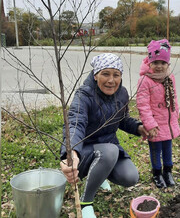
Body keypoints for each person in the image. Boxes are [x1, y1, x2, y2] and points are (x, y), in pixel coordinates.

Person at [60, 53, 148, 218]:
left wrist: (138, 128)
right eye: (105, 74)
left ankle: (99, 175)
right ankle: (86, 202)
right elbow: (75, 124)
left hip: (108, 149)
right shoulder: (84, 95)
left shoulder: (122, 94)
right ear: (95, 75)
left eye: (116, 75)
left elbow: (122, 120)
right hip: (84, 152)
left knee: (130, 177)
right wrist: (71, 153)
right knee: (110, 151)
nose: (111, 80)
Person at [136, 39, 180, 188]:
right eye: (155, 63)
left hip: (168, 122)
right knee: (156, 150)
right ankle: (157, 173)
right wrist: (149, 124)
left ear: (168, 63)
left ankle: (168, 171)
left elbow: (174, 98)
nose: (159, 66)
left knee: (168, 147)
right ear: (150, 63)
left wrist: (175, 117)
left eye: (163, 63)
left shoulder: (170, 78)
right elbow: (143, 105)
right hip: (154, 123)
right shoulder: (145, 80)